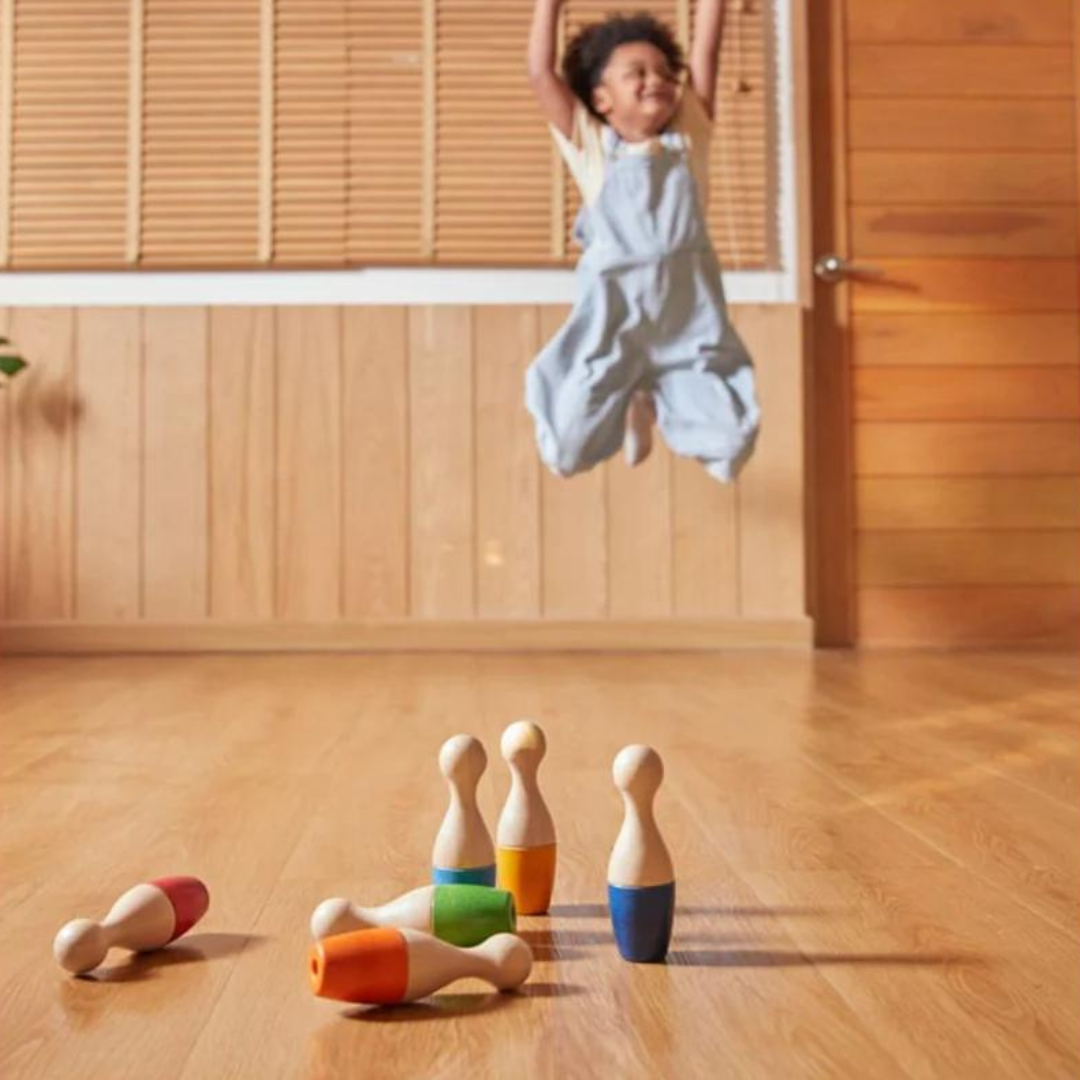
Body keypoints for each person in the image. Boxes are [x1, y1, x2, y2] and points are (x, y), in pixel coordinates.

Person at [524, 0, 760, 482]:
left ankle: (651, 396)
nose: (656, 79)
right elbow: (539, 72)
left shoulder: (691, 136)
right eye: (636, 73)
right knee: (567, 449)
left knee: (731, 444)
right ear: (602, 98)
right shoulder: (592, 147)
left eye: (664, 72)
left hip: (687, 316)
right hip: (615, 319)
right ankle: (632, 394)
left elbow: (706, 50)